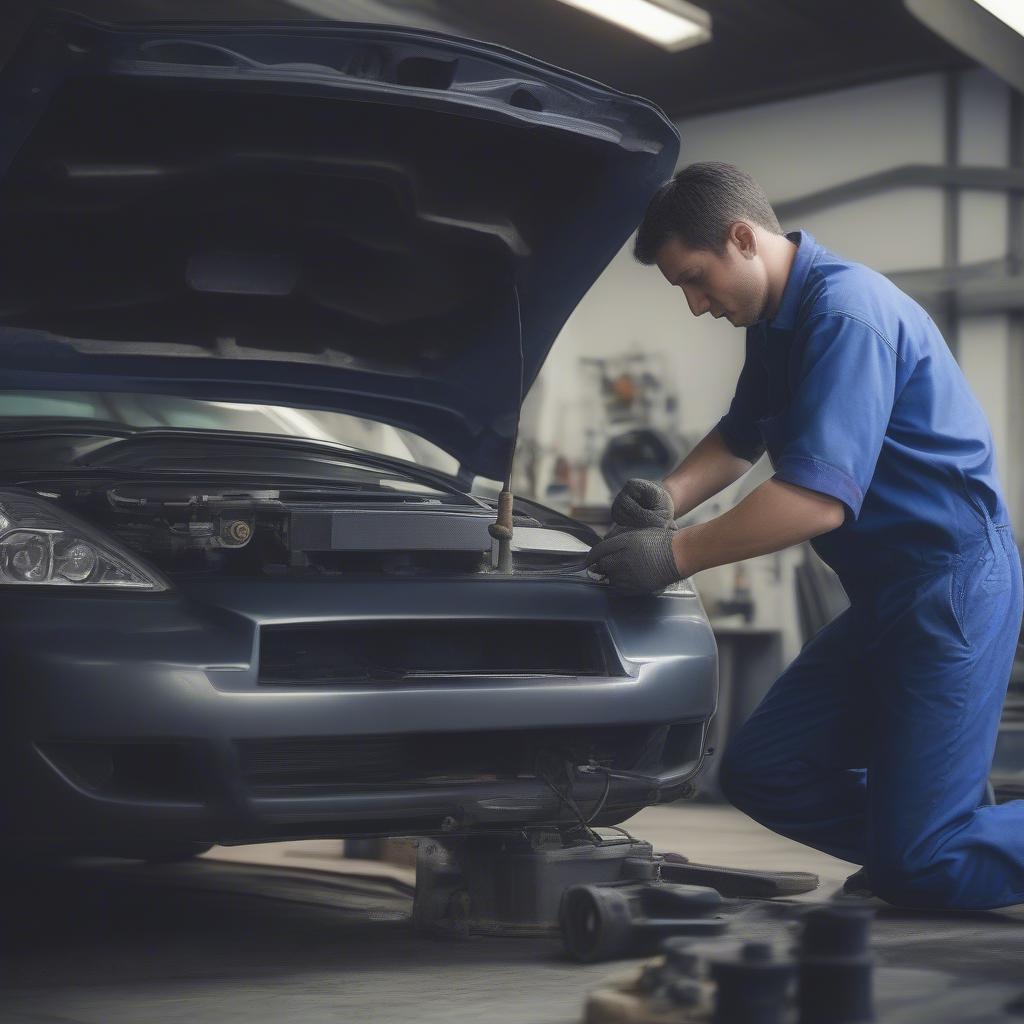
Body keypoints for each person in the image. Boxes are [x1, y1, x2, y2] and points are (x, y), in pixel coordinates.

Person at [586, 161, 1024, 910]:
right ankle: (925, 847)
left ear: (741, 239)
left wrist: (672, 554)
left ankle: (925, 855)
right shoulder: (776, 323)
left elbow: (816, 502)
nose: (695, 306)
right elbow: (740, 435)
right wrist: (667, 498)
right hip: (889, 593)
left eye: (696, 279)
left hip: (951, 584)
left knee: (923, 864)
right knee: (764, 769)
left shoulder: (845, 313)